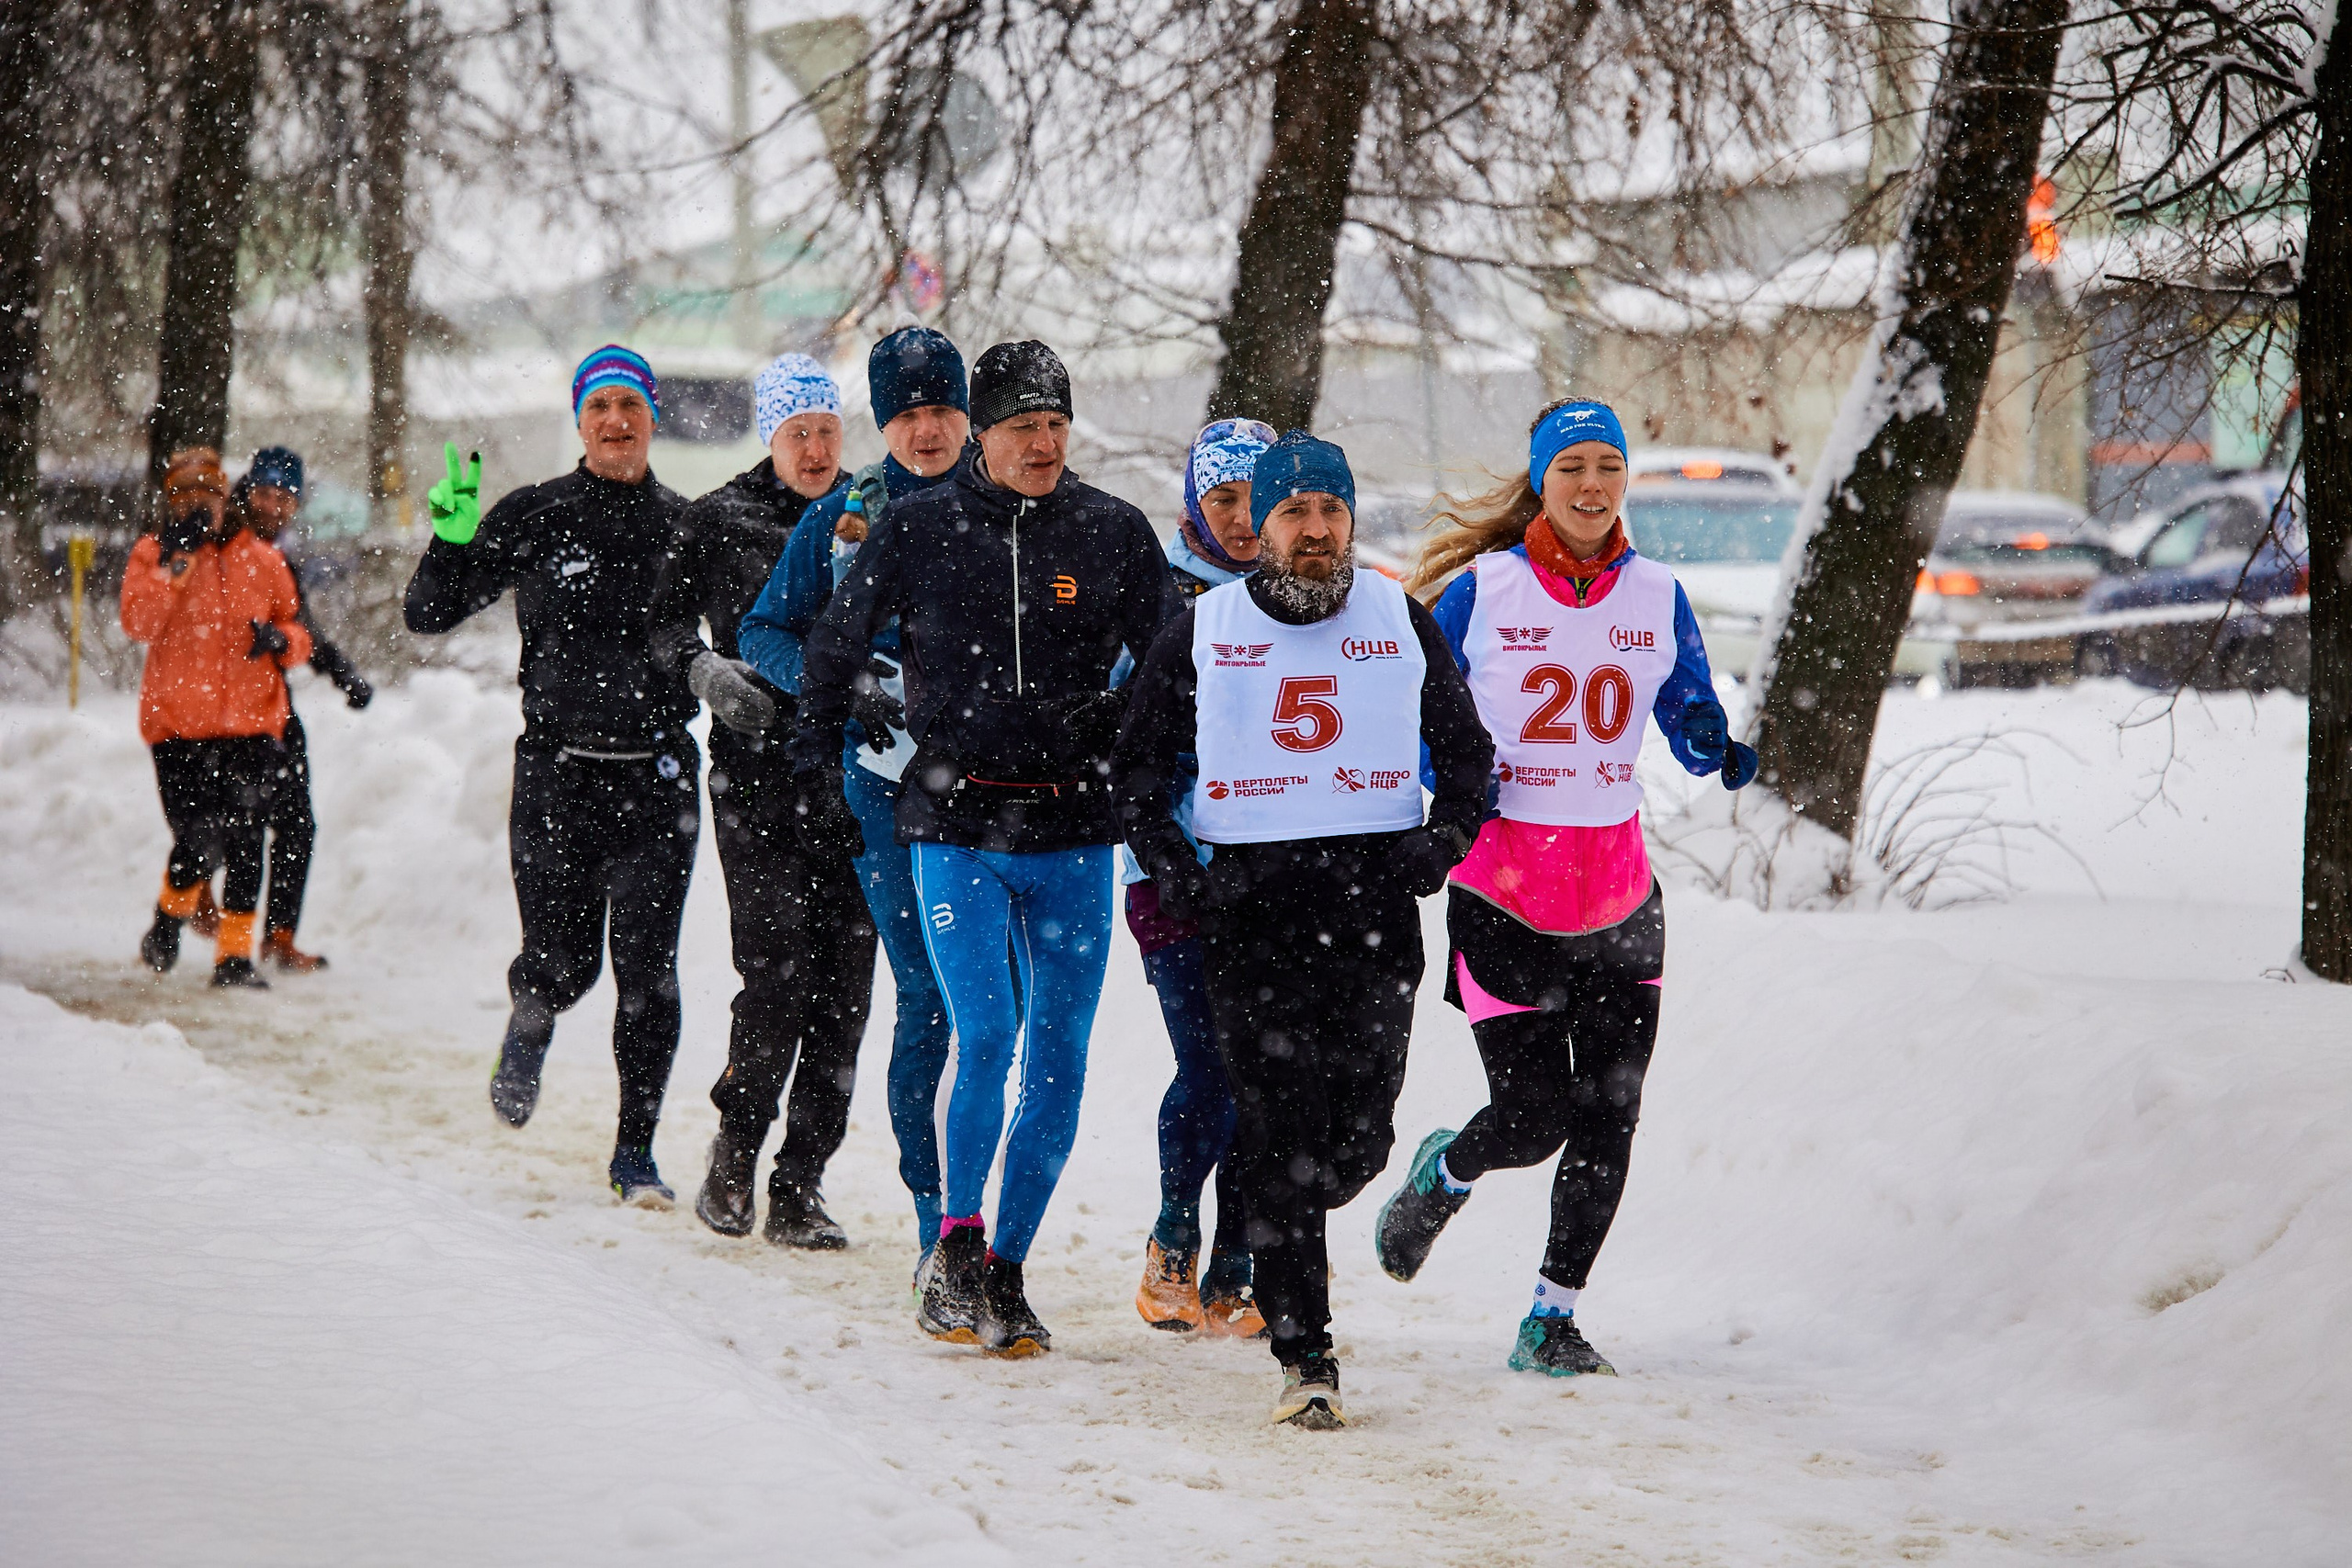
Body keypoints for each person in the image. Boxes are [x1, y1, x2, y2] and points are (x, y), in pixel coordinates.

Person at [789, 339, 1172, 1357]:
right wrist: (816, 762)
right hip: (956, 825)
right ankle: (956, 1239)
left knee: (1059, 1056)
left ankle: (1008, 1267)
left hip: (1074, 832)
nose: (1042, 444)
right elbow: (831, 645)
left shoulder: (1112, 530)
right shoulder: (919, 526)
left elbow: (1175, 663)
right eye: (1021, 427)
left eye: (1056, 424)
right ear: (984, 435)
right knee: (987, 1032)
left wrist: (1123, 721)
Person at [1111, 430, 1493, 1429]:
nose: (1315, 530)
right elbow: (1137, 770)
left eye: (1330, 510)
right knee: (1278, 1133)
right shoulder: (1204, 629)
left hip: (1371, 908)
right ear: (1263, 526)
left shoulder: (1398, 618)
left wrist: (1442, 841)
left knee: (1358, 1142)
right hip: (1252, 913)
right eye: (1293, 513)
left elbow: (1468, 757)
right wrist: (1176, 869)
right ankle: (1304, 1352)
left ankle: (1284, 1223)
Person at [1373, 399, 1758, 1379]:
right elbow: (1418, 718)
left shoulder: (1658, 595)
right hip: (1504, 893)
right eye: (1572, 466)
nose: (1592, 485)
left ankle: (1552, 1316)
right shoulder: (1483, 590)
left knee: (1609, 1115)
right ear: (1542, 480)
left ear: (1626, 478)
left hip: (1620, 899)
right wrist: (1450, 787)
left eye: (1608, 466)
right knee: (1532, 1119)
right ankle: (1445, 1172)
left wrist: (1709, 738)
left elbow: (1687, 712)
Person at [403, 345, 699, 1207]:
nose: (616, 420)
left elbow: (755, 620)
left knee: (649, 975)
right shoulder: (537, 513)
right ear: (580, 420)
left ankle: (635, 1154)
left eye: (630, 404)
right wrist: (450, 537)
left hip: (657, 780)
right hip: (556, 777)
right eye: (599, 405)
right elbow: (428, 612)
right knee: (562, 961)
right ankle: (531, 1017)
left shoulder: (688, 525)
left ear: (652, 417)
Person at [738, 326, 972, 1272]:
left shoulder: (1009, 509)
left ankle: (982, 1212)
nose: (927, 430)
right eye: (907, 414)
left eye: (942, 408)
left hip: (997, 792)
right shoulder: (846, 515)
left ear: (968, 414)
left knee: (993, 1013)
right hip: (881, 788)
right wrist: (839, 683)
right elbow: (762, 631)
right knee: (926, 996)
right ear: (882, 424)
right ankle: (934, 1221)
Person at [649, 353, 876, 1247]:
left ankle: (801, 1183)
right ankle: (736, 1152)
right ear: (770, 437)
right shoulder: (718, 518)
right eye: (798, 433)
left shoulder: (870, 512)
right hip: (757, 782)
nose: (816, 449)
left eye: (827, 431)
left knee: (846, 994)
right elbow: (664, 626)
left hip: (857, 783)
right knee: (777, 978)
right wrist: (702, 668)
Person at [1125, 418, 1276, 1339]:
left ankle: (1238, 1260)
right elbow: (1127, 734)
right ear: (1193, 502)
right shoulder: (1160, 593)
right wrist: (1166, 839)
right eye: (1224, 499)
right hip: (1171, 869)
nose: (1245, 519)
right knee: (1212, 1064)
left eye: (1258, 498)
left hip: (1276, 875)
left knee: (1265, 1069)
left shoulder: (1305, 595)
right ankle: (1174, 1232)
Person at [123, 446, 312, 989]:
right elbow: (139, 622)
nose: (197, 508)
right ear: (170, 503)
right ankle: (168, 917)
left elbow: (298, 633)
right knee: (199, 839)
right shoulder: (154, 553)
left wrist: (280, 640)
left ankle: (233, 958)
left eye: (207, 496)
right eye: (184, 498)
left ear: (226, 498)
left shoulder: (262, 559)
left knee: (246, 838)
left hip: (252, 725)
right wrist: (176, 563)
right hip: (178, 728)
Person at [228, 446, 373, 974]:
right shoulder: (220, 545)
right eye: (266, 494)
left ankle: (279, 938)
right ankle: (190, 911)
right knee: (230, 828)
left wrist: (344, 674)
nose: (274, 506)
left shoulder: (278, 557)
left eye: (285, 498)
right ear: (248, 492)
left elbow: (301, 628)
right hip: (219, 715)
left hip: (270, 707)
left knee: (297, 825)